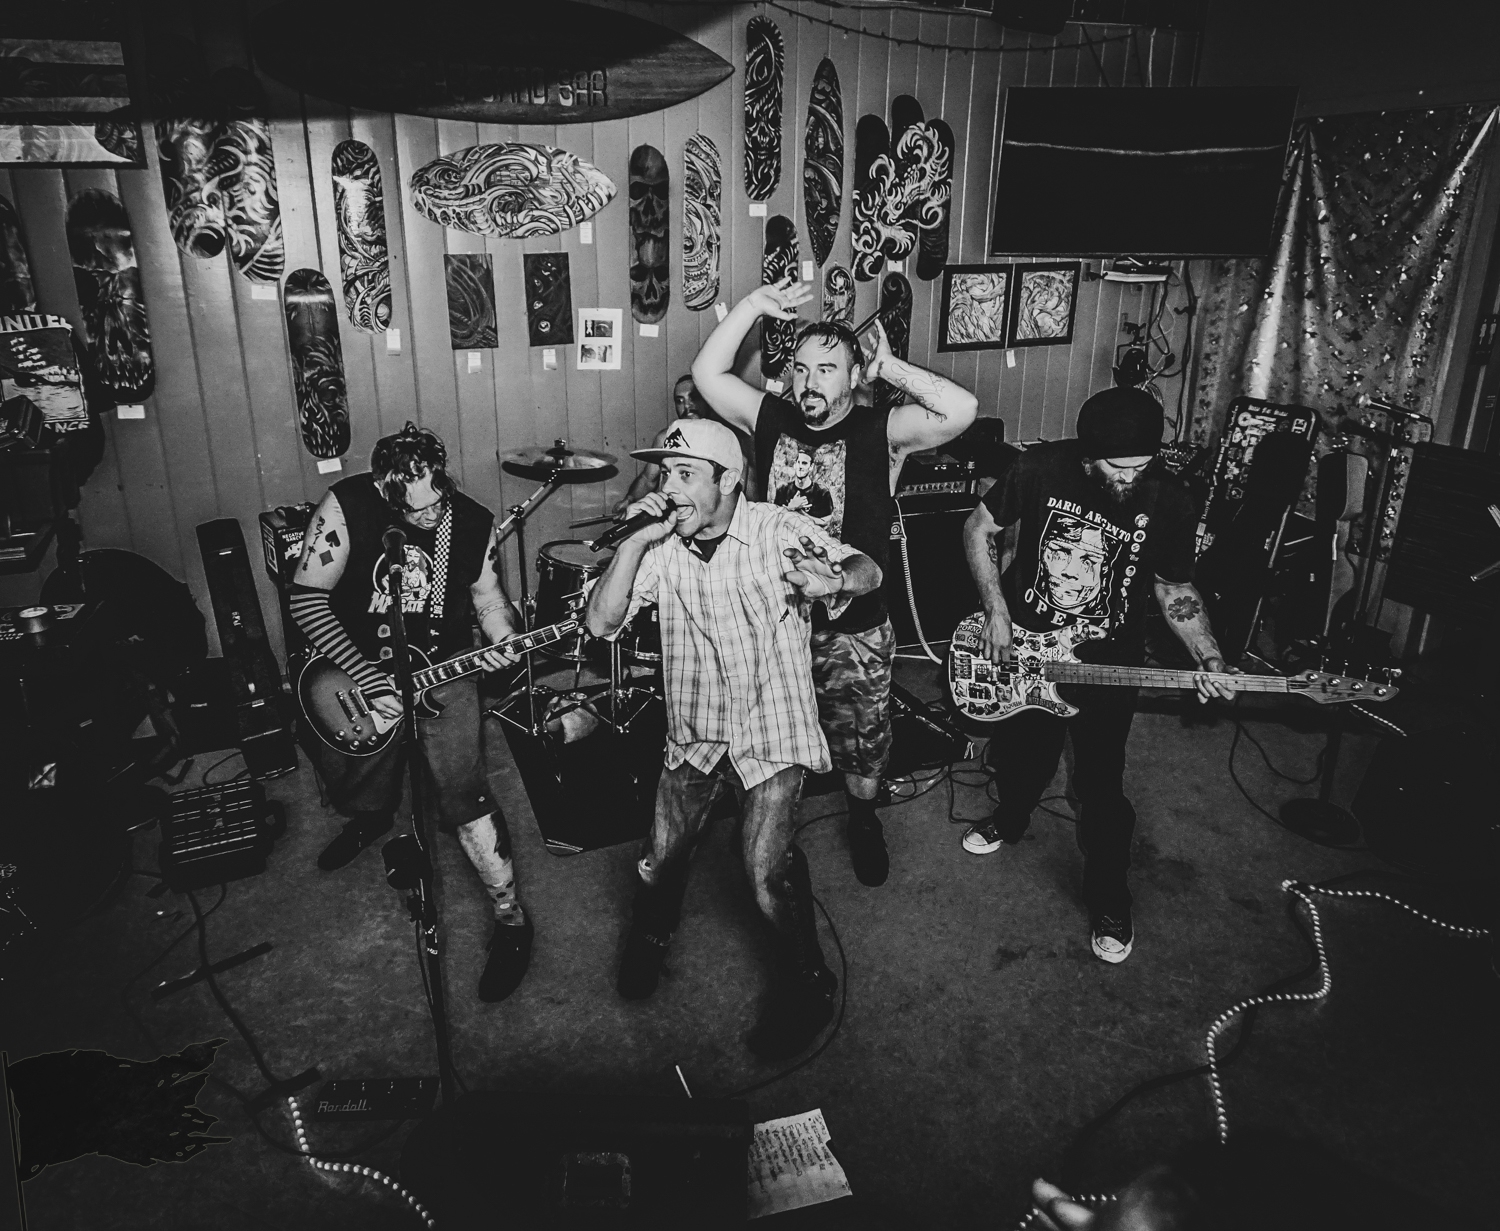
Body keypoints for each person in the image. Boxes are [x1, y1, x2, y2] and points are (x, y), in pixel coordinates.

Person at [584, 418, 882, 1060]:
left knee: (763, 874)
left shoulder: (777, 529)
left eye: (686, 474)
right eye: (666, 474)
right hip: (696, 731)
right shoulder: (662, 548)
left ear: (728, 480)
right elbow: (602, 624)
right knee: (662, 858)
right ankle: (652, 935)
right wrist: (634, 543)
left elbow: (868, 568)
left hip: (770, 730)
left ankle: (809, 982)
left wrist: (834, 581)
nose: (670, 488)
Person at [692, 278, 978, 889]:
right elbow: (707, 374)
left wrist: (891, 367)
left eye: (826, 369)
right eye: (800, 369)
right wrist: (751, 307)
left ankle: (863, 818)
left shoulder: (882, 431)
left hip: (854, 625)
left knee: (860, 736)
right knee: (761, 730)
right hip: (776, 617)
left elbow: (961, 410)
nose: (809, 382)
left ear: (852, 377)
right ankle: (764, 825)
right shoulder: (771, 418)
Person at [961, 388, 1238, 964]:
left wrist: (1208, 654)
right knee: (1023, 759)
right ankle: (1010, 817)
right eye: (1118, 467)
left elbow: (1173, 586)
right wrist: (996, 611)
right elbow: (978, 528)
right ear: (1088, 456)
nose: (1132, 477)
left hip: (1110, 664)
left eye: (1142, 465)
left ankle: (1110, 897)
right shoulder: (1040, 467)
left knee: (1102, 786)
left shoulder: (1170, 497)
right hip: (1028, 654)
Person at [288, 423, 535, 1002]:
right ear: (383, 488)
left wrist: (502, 636)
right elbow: (306, 599)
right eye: (414, 510)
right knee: (357, 769)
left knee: (464, 792)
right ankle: (372, 816)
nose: (429, 516)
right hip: (354, 672)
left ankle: (511, 918)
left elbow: (487, 597)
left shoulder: (470, 522)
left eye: (436, 501)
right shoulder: (346, 507)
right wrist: (369, 677)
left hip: (441, 672)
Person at [614, 374, 757, 513]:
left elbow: (751, 495)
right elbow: (647, 479)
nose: (687, 406)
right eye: (679, 401)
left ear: (708, 400)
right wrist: (629, 499)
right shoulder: (667, 437)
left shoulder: (730, 439)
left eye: (693, 398)